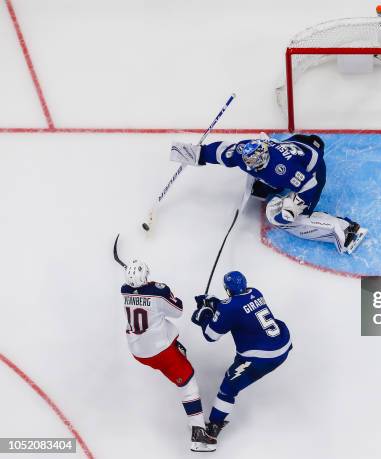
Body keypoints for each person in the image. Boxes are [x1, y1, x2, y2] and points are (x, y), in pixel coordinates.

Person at [170, 133, 367, 254]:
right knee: (263, 187)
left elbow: (310, 184)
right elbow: (223, 152)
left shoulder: (282, 169)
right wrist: (197, 153)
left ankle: (345, 229)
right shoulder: (243, 153)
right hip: (297, 143)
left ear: (264, 160)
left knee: (284, 219)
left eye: (254, 165)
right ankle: (271, 187)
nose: (249, 166)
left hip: (313, 169)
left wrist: (294, 206)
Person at [190, 271, 292, 451]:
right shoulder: (255, 292)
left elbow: (211, 335)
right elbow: (238, 308)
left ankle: (212, 430)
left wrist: (204, 314)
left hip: (262, 357)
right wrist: (216, 304)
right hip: (283, 343)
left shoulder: (229, 307)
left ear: (227, 289)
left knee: (228, 388)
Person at [120, 259, 212, 452]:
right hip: (158, 351)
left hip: (137, 350)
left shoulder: (124, 290)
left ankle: (176, 353)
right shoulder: (158, 292)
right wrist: (163, 291)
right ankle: (198, 434)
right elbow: (178, 311)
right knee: (187, 381)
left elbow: (140, 295)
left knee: (175, 349)